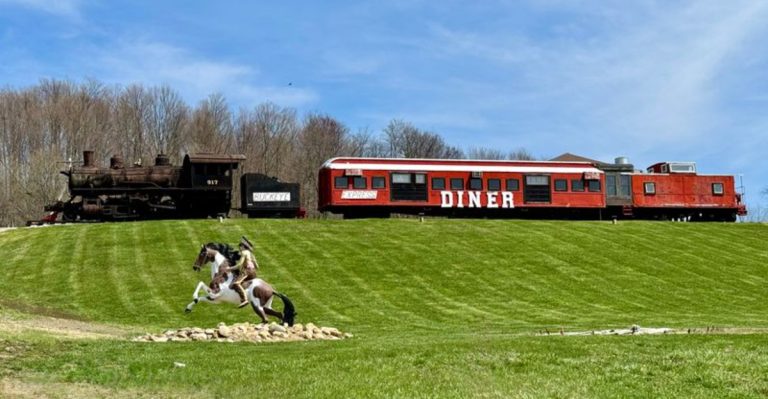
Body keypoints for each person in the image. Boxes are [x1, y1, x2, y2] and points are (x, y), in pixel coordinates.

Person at [231, 236, 259, 308]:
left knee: (236, 283)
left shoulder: (244, 252)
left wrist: (229, 268)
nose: (239, 249)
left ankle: (244, 299)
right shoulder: (250, 253)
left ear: (243, 246)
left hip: (247, 271)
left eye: (240, 247)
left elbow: (239, 264)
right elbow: (257, 265)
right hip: (253, 272)